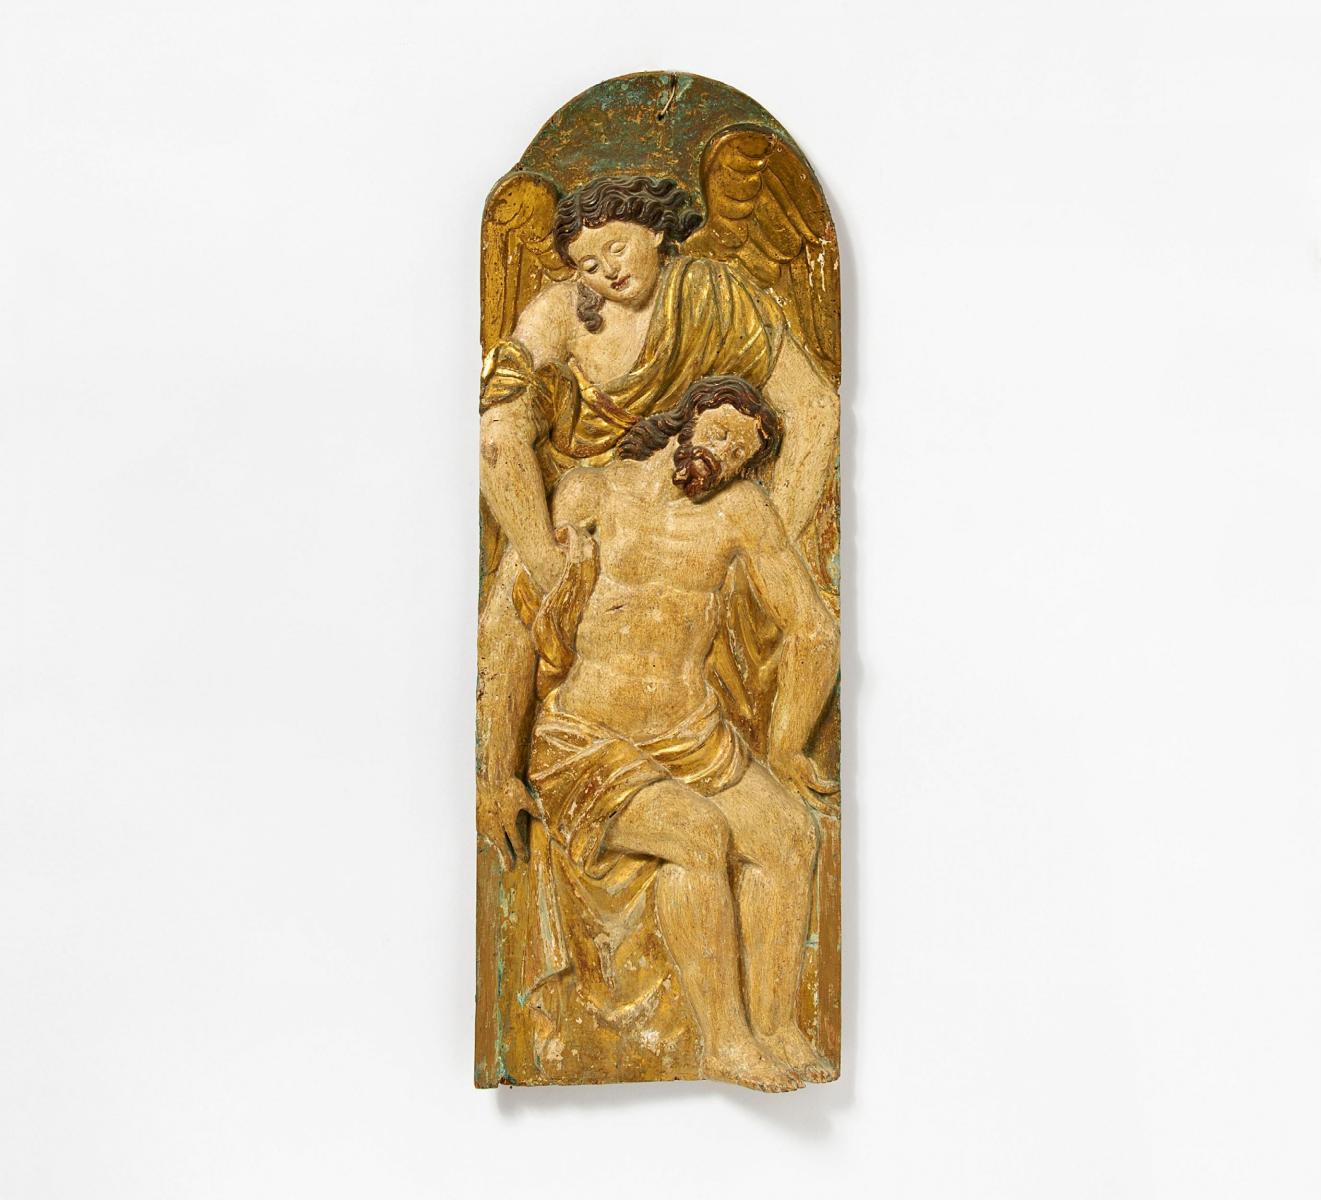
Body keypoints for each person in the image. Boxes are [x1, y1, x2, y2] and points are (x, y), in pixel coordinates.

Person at [478, 176, 840, 865]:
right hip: (592, 510)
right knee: (513, 603)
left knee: (779, 840)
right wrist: (550, 567)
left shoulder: (711, 294)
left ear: (653, 229)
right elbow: (499, 435)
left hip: (698, 506)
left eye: (616, 248)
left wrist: (764, 547)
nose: (608, 272)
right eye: (588, 264)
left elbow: (815, 408)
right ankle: (496, 775)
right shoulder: (561, 312)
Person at [518, 377, 839, 1092]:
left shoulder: (741, 511)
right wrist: (494, 769)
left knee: (790, 837)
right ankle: (725, 1042)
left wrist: (788, 745)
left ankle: (777, 1026)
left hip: (691, 736)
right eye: (718, 433)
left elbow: (814, 630)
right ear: (686, 421)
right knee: (697, 835)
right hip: (588, 740)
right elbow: (516, 622)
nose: (723, 455)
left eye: (741, 452)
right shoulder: (590, 492)